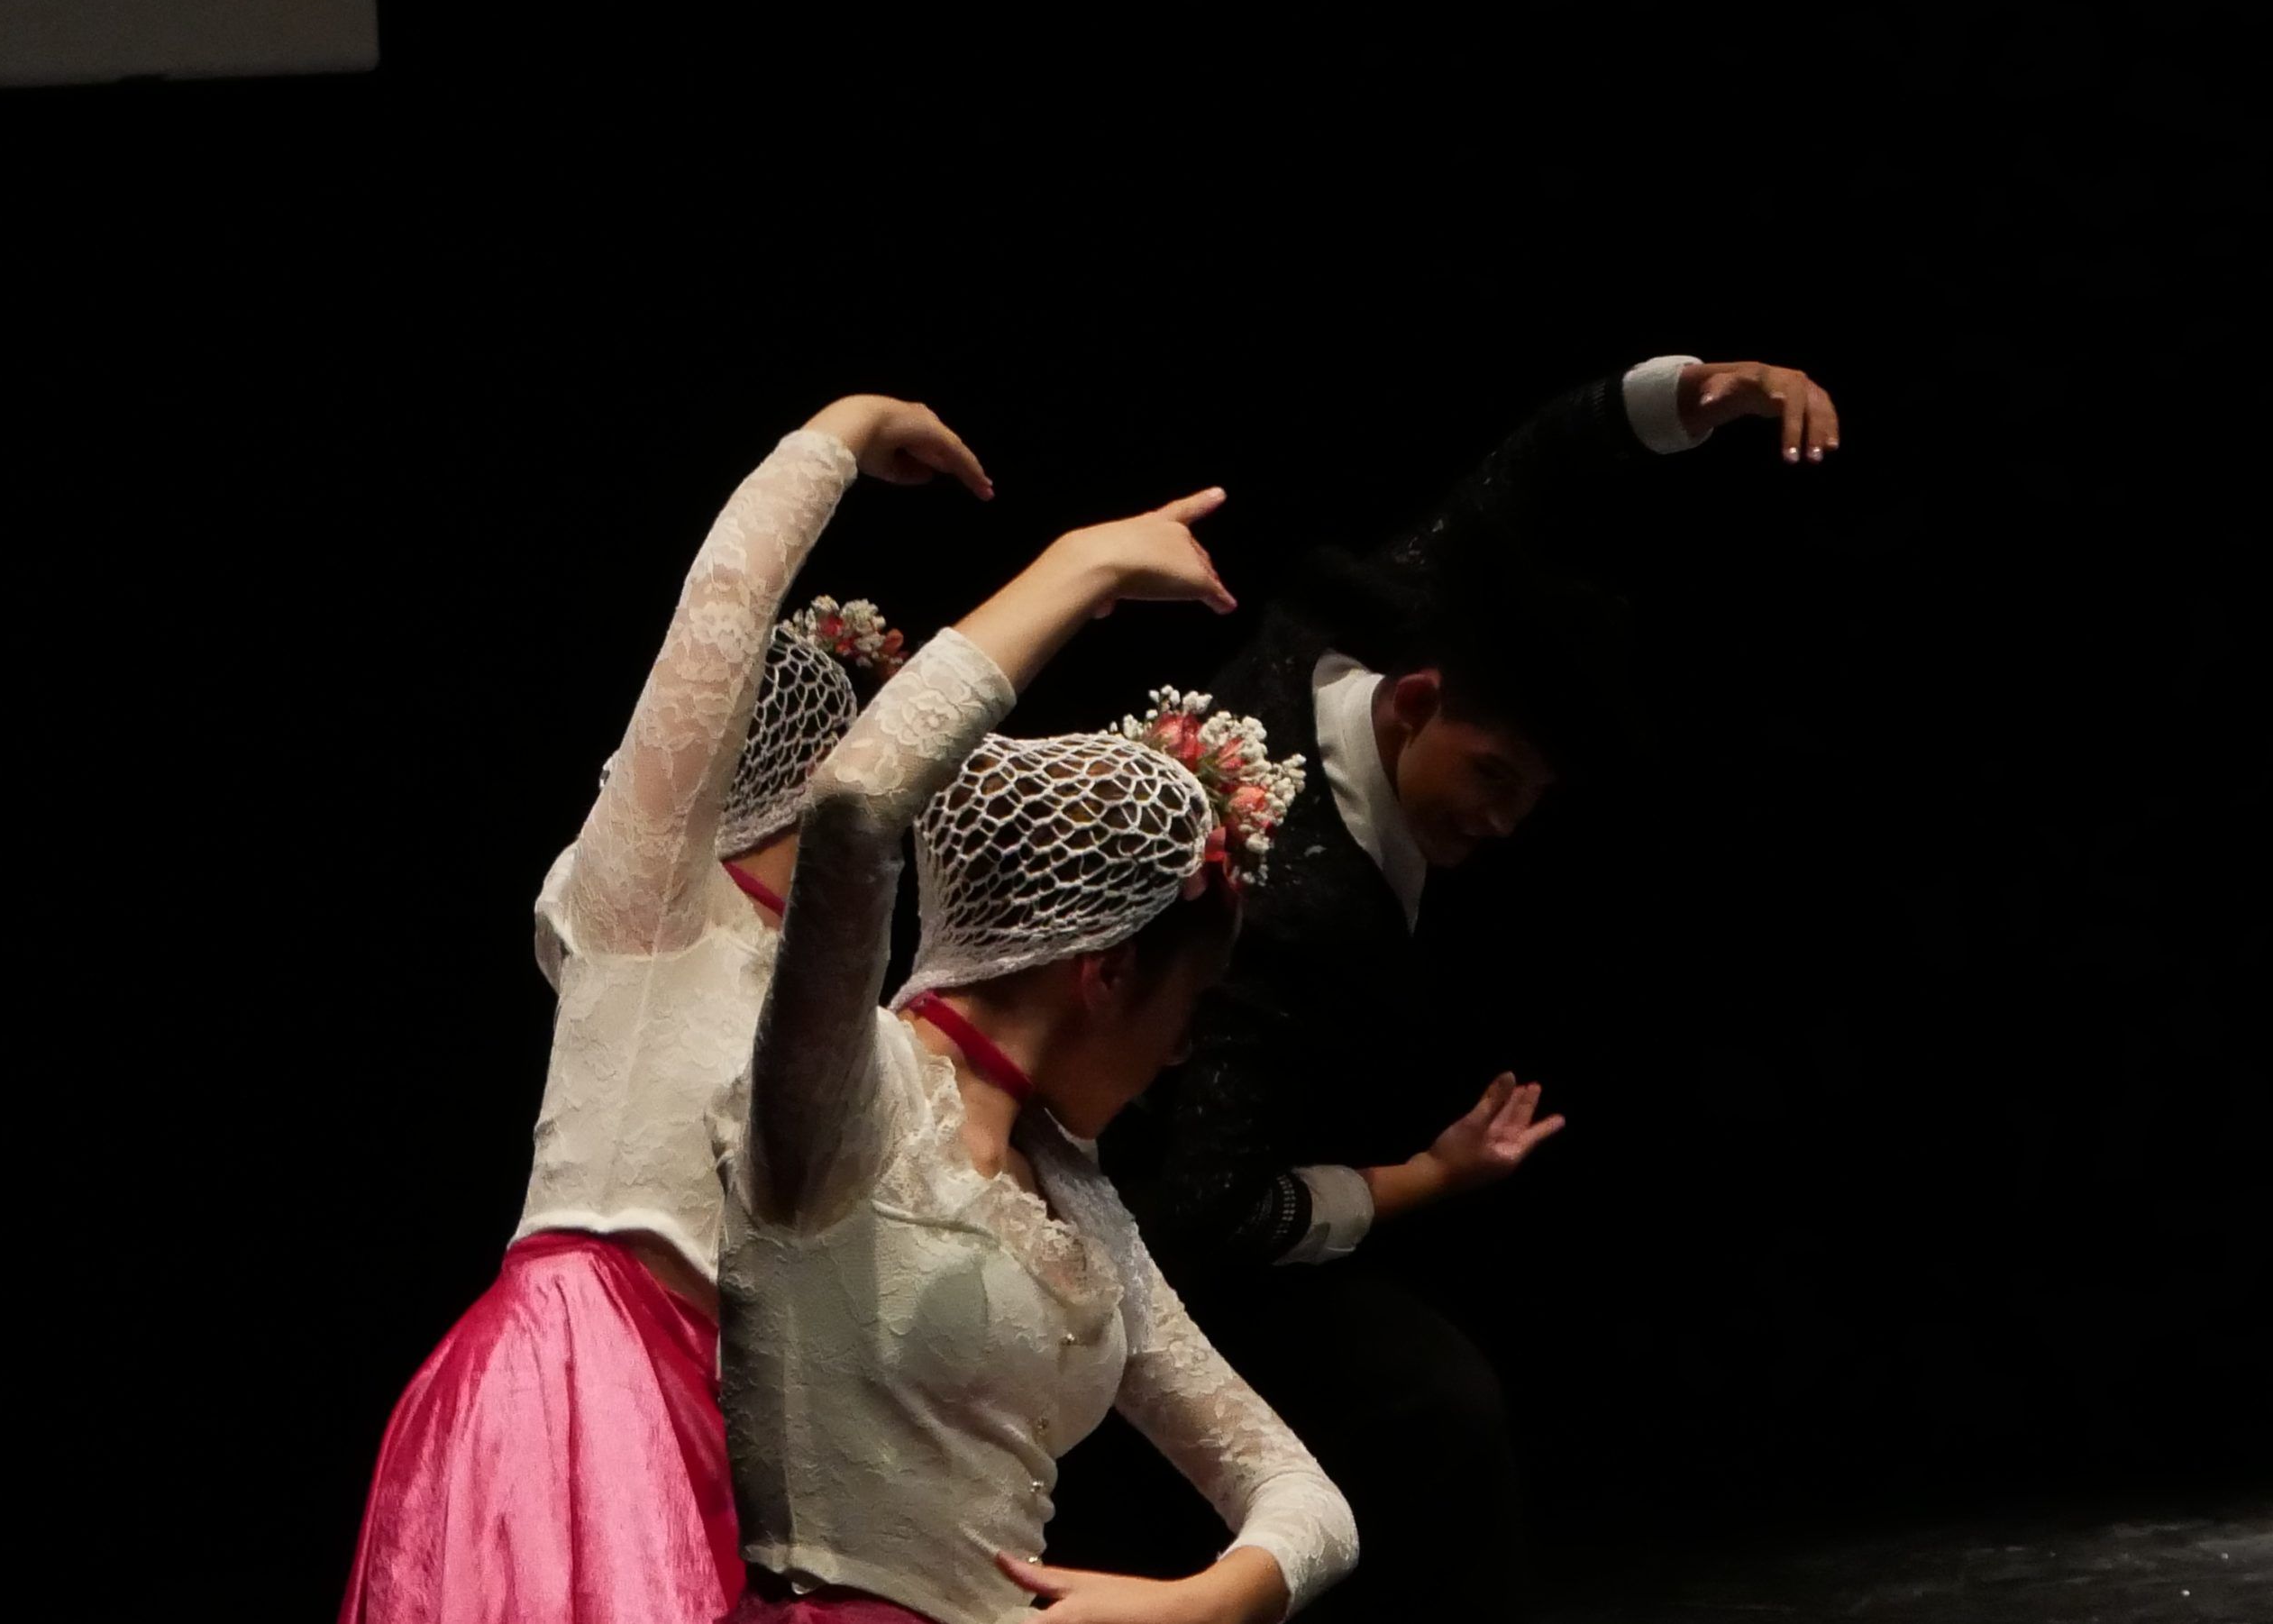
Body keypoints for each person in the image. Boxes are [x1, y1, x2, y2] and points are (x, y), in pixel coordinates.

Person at [1063, 355, 1843, 1617]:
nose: (1504, 820)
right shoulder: (1288, 911)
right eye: (1494, 776)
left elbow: (1520, 476)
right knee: (1434, 1403)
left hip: (1253, 1131)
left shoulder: (1367, 622)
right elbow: (1205, 1209)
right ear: (1417, 705)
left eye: (1532, 794)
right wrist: (1425, 1178)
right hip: (1132, 1215)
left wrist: (1693, 394)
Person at [339, 396, 991, 1624]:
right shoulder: (653, 905)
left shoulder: (848, 1022)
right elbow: (718, 620)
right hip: (578, 1370)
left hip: (728, 1439)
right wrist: (843, 432)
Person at [719, 468, 1358, 1621]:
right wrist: (1082, 564)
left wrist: (1203, 1601)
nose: (1181, 1054)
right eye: (1187, 1006)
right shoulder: (851, 1091)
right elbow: (856, 804)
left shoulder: (1080, 1205)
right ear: (1105, 974)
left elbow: (1306, 1498)